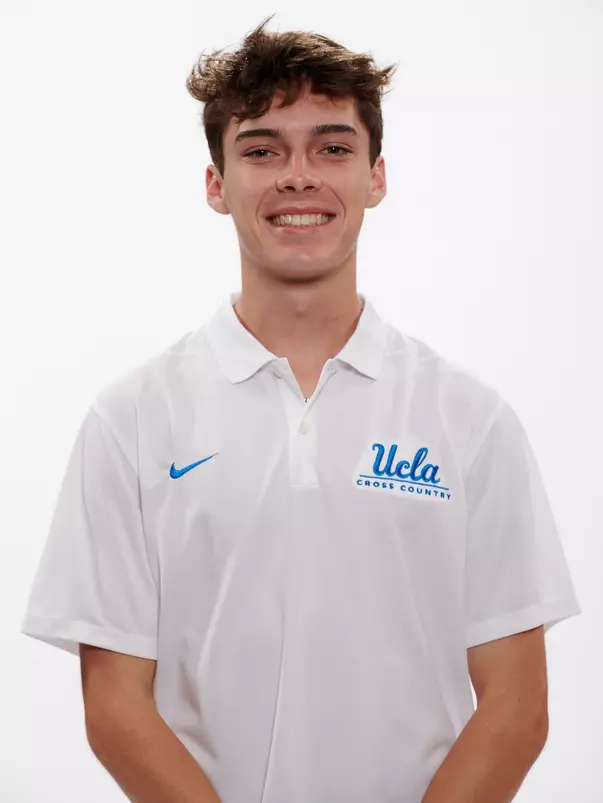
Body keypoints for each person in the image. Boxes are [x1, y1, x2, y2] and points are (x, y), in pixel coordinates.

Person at [21, 14, 582, 803]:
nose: (298, 175)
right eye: (261, 150)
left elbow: (517, 705)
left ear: (375, 177)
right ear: (217, 184)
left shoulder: (469, 420)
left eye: (331, 147)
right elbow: (114, 706)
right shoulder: (133, 420)